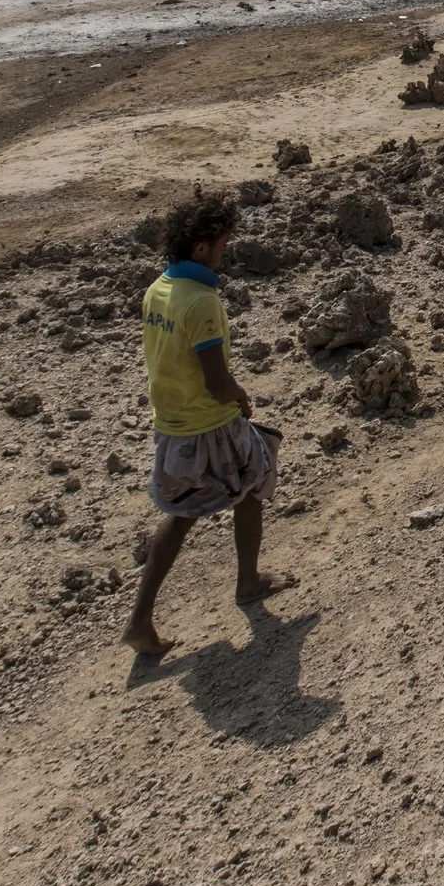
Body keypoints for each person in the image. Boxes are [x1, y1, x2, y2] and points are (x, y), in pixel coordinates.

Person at [122, 190, 285, 658]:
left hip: (172, 425)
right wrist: (240, 395)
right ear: (201, 249)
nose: (226, 251)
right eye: (223, 243)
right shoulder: (201, 302)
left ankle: (140, 618)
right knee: (254, 484)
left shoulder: (158, 290)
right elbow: (216, 382)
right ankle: (249, 581)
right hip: (212, 422)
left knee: (180, 516)